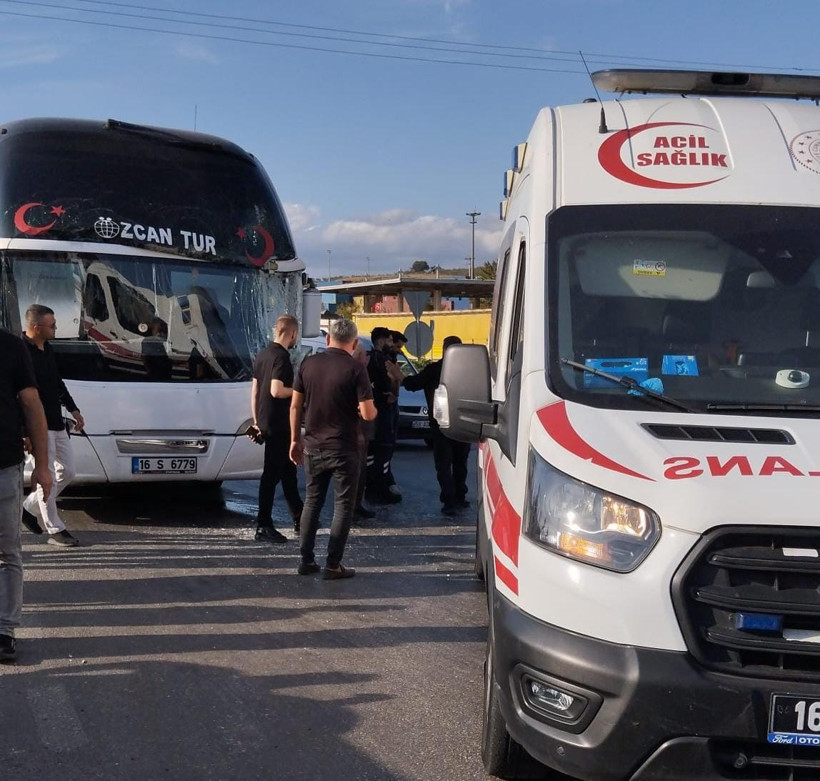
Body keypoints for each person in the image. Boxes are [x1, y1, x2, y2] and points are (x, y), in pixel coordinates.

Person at [290, 319, 377, 580]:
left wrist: (295, 440)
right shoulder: (356, 368)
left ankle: (306, 561)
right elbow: (367, 412)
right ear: (354, 343)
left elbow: (295, 407)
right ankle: (333, 564)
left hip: (313, 445)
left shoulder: (308, 364)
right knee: (342, 506)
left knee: (312, 502)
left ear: (328, 340)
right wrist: (374, 410)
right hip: (344, 447)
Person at [1, 328, 53, 661]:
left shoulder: (9, 347)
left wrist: (43, 466)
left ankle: (4, 630)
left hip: (3, 466)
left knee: (7, 553)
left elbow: (33, 406)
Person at [21, 305, 84, 547]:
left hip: (56, 421)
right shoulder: (20, 351)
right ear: (36, 328)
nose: (56, 328)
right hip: (36, 425)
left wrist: (74, 409)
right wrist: (23, 432)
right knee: (47, 477)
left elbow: (57, 383)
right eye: (52, 325)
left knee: (67, 471)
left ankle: (29, 508)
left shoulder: (47, 348)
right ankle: (55, 529)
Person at [249, 315, 304, 544]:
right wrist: (301, 391)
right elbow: (276, 390)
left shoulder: (262, 355)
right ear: (291, 333)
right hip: (279, 423)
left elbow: (255, 391)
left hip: (266, 422)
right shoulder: (282, 357)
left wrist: (257, 422)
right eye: (296, 335)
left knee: (288, 473)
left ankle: (300, 517)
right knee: (271, 476)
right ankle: (264, 525)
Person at [403, 335, 471, 517]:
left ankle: (449, 502)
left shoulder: (434, 369)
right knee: (460, 462)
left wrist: (399, 377)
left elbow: (412, 385)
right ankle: (459, 497)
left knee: (443, 464)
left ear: (444, 348)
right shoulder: (468, 370)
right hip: (463, 423)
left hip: (440, 424)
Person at [366, 327, 400, 504]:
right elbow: (394, 384)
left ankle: (370, 488)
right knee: (384, 452)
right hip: (383, 414)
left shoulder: (367, 359)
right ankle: (380, 490)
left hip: (369, 414)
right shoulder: (384, 361)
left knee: (371, 453)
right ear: (380, 341)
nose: (391, 344)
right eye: (389, 340)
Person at [351, 340, 376, 521]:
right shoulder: (356, 374)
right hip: (357, 431)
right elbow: (357, 408)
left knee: (362, 471)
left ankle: (357, 505)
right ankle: (352, 508)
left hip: (363, 432)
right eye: (366, 355)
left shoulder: (361, 373)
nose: (368, 358)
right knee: (356, 472)